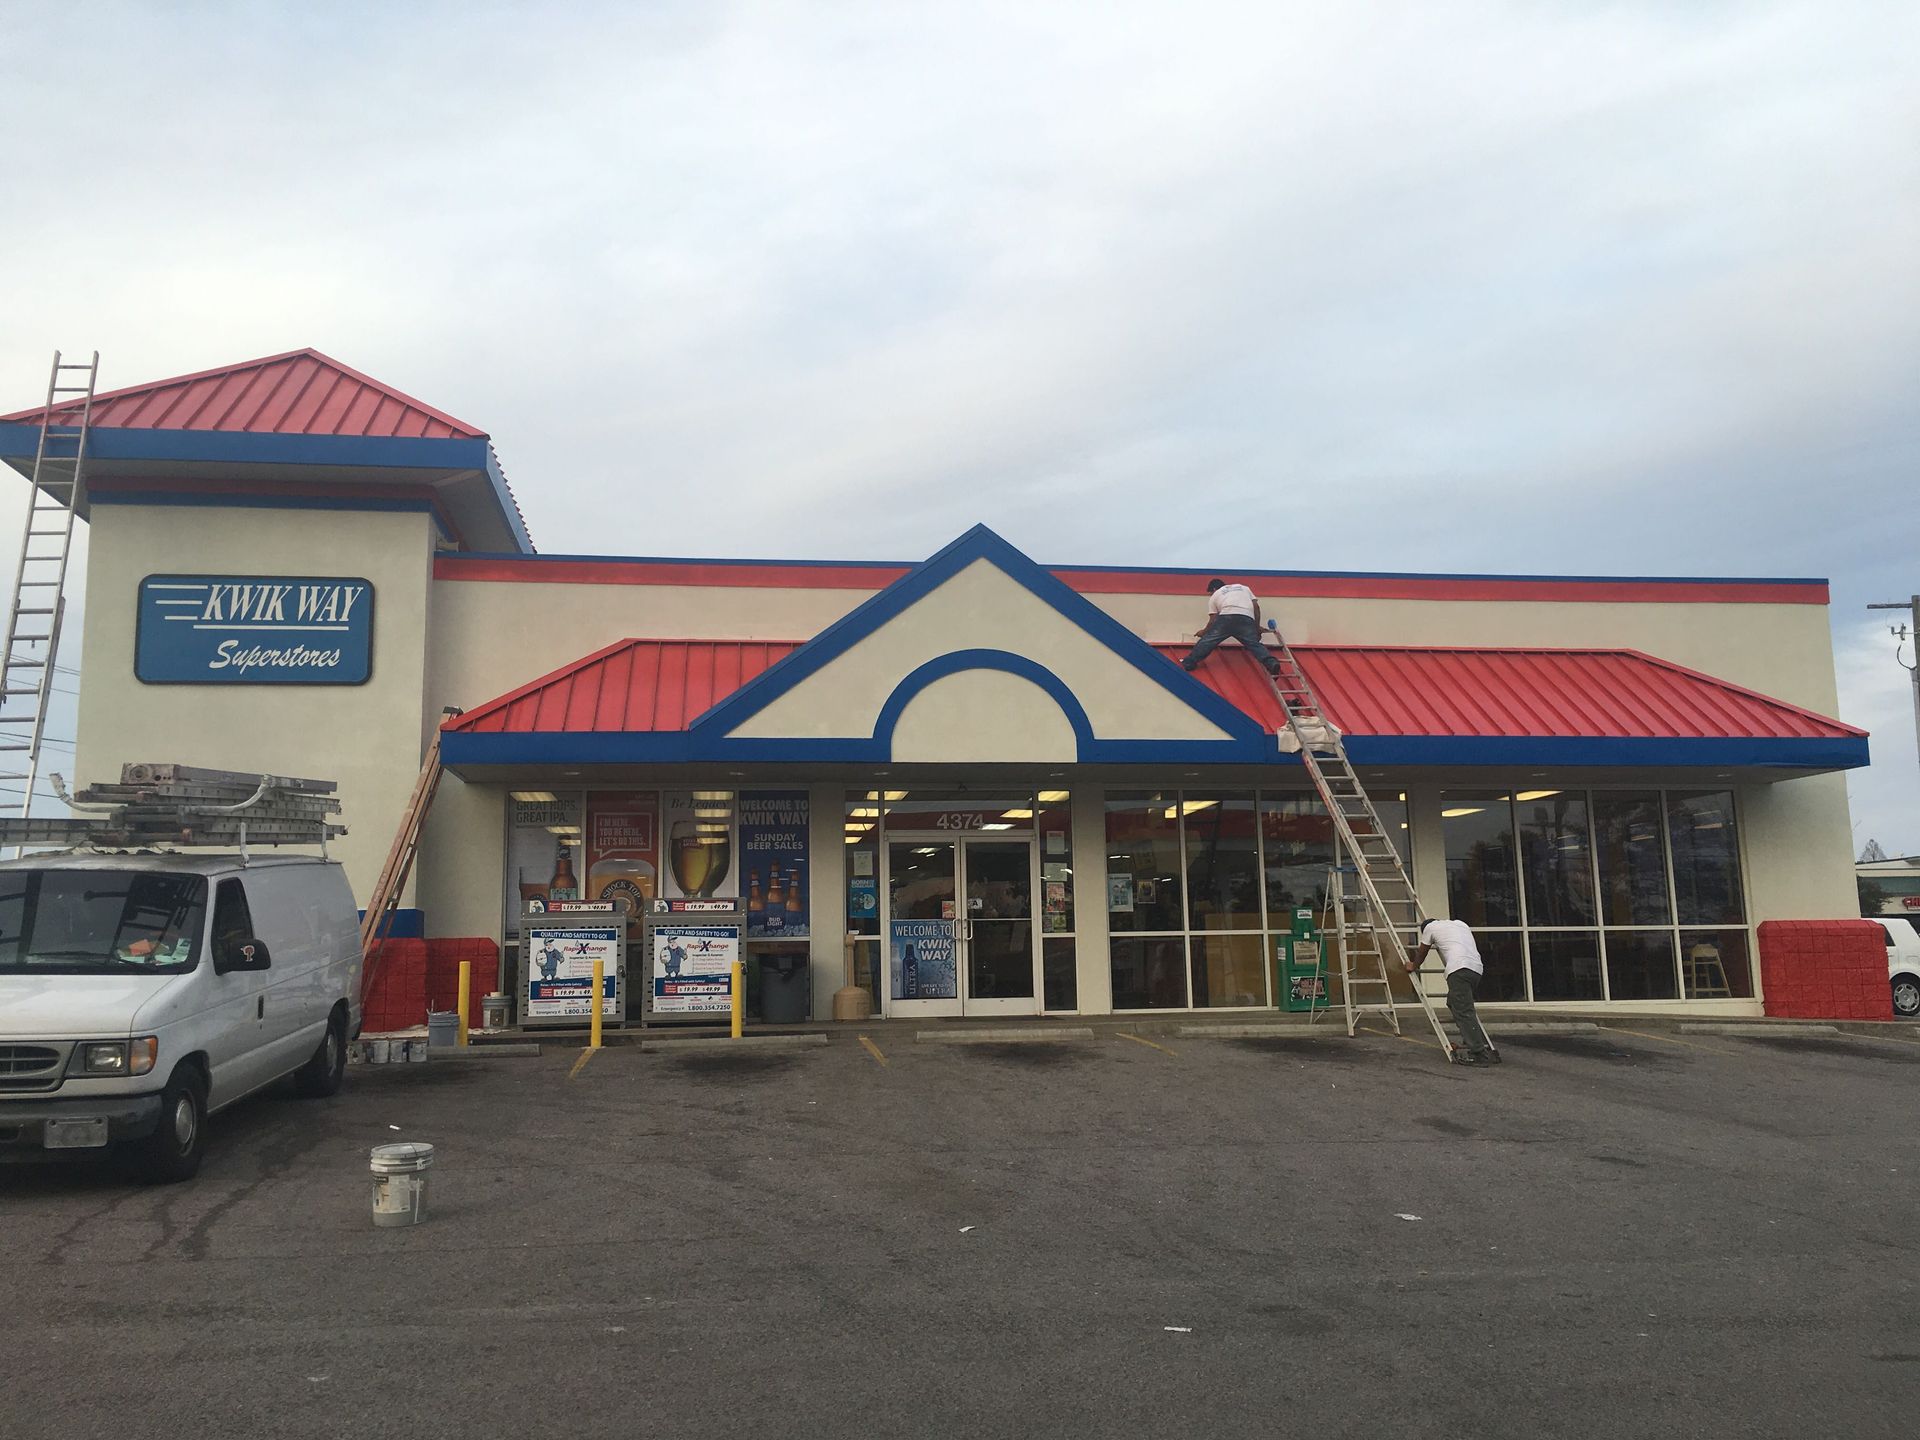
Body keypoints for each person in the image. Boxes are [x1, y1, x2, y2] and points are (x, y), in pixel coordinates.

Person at [1405, 915, 1499, 1065]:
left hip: (1459, 970)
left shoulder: (1429, 928)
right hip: (1476, 970)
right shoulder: (1460, 924)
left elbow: (1422, 952)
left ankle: (1478, 1053)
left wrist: (1413, 965)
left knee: (1463, 1011)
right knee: (1454, 1003)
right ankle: (1471, 1038)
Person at [1180, 578, 1280, 676]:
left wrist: (1204, 632)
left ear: (1214, 589)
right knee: (1254, 644)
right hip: (1245, 618)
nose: (1210, 595)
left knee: (1208, 641)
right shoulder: (1244, 588)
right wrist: (1256, 627)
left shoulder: (1216, 594)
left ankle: (1190, 662)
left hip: (1226, 618)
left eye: (1210, 592)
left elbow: (1213, 619)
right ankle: (1271, 663)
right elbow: (1256, 608)